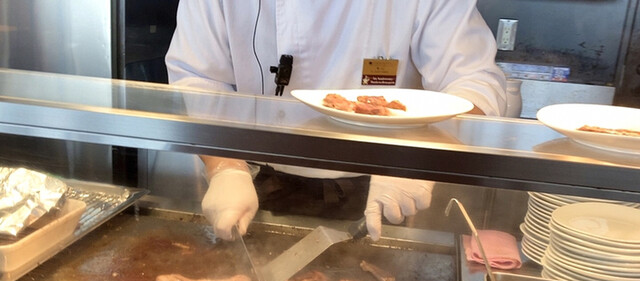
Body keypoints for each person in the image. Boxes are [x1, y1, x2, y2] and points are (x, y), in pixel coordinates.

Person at [165, 0, 506, 241]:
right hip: (251, 186)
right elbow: (198, 80)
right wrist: (224, 167)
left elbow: (476, 82)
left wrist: (417, 160)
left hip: (382, 192)